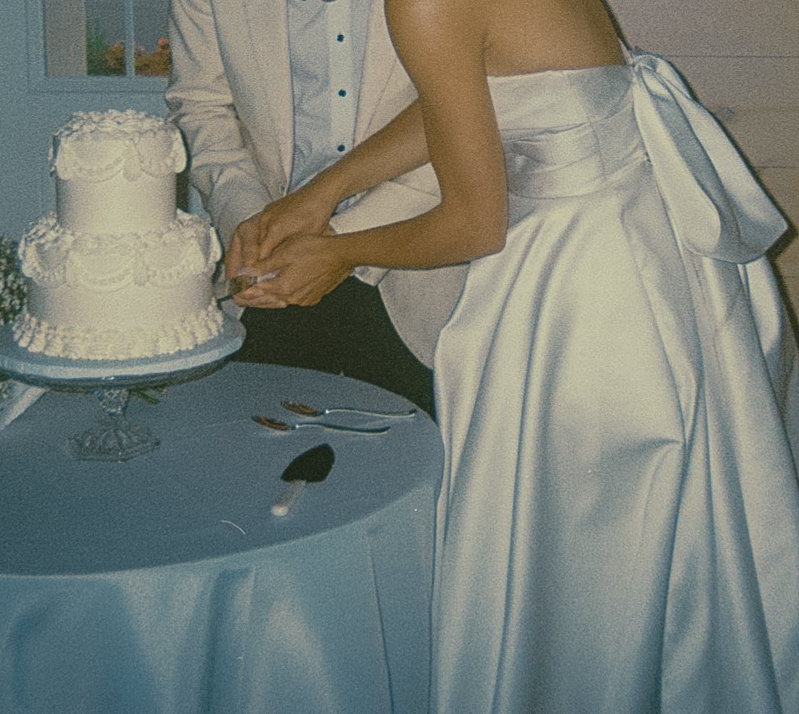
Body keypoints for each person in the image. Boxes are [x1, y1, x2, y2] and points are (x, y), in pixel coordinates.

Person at [227, 0, 799, 710]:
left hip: (588, 292)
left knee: (588, 554)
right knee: (651, 544)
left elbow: (473, 223)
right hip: (650, 248)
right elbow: (478, 92)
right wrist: (323, 194)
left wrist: (340, 252)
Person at [165, 0, 470, 415]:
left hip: (418, 267)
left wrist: (343, 240)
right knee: (261, 459)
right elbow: (201, 106)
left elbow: (474, 116)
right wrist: (249, 222)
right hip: (267, 268)